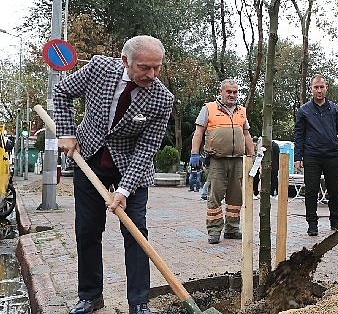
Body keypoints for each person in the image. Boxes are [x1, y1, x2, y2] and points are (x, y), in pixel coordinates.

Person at [53, 35, 173, 314]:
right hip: (89, 158)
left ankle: (139, 303)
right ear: (125, 61)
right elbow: (62, 93)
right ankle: (91, 295)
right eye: (144, 67)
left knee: (135, 232)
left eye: (157, 68)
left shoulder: (162, 99)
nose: (151, 75)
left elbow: (148, 148)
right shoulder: (99, 69)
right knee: (87, 229)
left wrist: (124, 191)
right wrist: (67, 133)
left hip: (132, 166)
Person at [191, 79, 255, 245]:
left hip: (237, 161)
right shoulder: (209, 108)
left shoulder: (242, 111)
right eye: (229, 92)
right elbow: (198, 132)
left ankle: (232, 229)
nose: (232, 95)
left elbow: (246, 135)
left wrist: (253, 155)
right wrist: (194, 154)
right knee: (215, 196)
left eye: (235, 92)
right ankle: (214, 230)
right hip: (217, 160)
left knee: (235, 197)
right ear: (221, 92)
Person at [294, 74, 338, 236]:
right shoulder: (304, 110)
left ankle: (335, 219)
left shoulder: (335, 109)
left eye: (321, 87)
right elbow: (299, 134)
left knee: (334, 189)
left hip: (331, 155)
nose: (319, 90)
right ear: (311, 89)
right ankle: (312, 223)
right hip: (311, 155)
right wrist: (298, 157)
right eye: (315, 87)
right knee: (311, 190)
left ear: (327, 88)